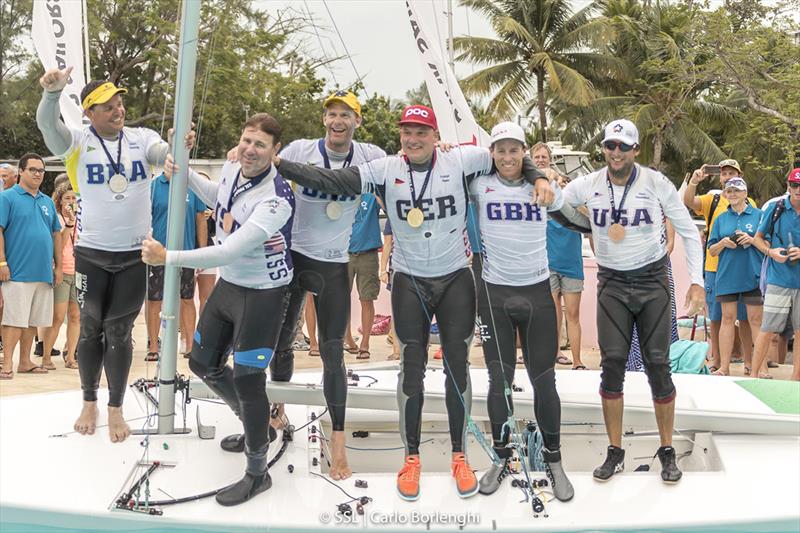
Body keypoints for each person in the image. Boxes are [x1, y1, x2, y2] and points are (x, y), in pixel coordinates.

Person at [273, 104, 557, 501]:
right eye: (407, 132)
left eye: (421, 132)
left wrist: (539, 174)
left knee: (457, 367)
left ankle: (460, 456)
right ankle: (411, 458)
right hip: (409, 281)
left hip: (456, 277)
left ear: (434, 135)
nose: (413, 139)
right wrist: (281, 163)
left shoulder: (462, 160)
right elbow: (335, 180)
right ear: (400, 135)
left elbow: (509, 157)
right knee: (411, 370)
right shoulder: (385, 168)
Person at [143, 112, 294, 506]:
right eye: (246, 140)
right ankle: (253, 422)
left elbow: (230, 248)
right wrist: (184, 170)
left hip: (263, 294)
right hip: (230, 287)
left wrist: (167, 257)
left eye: (260, 145)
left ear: (275, 152)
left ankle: (257, 471)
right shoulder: (232, 168)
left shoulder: (276, 198)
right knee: (201, 363)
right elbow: (217, 197)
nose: (249, 149)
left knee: (248, 379)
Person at [36, 66, 190, 442]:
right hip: (91, 254)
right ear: (89, 113)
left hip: (134, 256)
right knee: (91, 330)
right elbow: (47, 128)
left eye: (119, 102)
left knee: (119, 333)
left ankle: (115, 408)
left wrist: (174, 148)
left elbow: (162, 153)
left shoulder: (140, 138)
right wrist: (51, 94)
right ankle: (89, 400)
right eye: (107, 106)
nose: (118, 110)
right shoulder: (76, 142)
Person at [562, 119, 705, 484]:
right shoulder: (589, 184)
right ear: (604, 148)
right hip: (611, 283)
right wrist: (582, 221)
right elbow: (557, 205)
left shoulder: (656, 182)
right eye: (611, 145)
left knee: (658, 364)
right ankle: (615, 451)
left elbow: (689, 231)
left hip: (652, 281)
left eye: (624, 146)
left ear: (636, 151)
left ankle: (667, 449)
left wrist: (698, 284)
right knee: (611, 365)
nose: (616, 152)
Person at [258, 90, 386, 481]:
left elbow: (405, 179)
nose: (337, 121)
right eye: (331, 114)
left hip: (333, 264)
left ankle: (340, 445)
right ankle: (275, 413)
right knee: (280, 341)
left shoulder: (371, 156)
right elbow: (259, 174)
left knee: (333, 354)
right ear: (324, 120)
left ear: (357, 121)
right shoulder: (299, 149)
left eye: (345, 115)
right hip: (294, 257)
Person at [470, 122, 576, 501]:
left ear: (524, 152)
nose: (507, 157)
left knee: (544, 381)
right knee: (498, 381)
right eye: (501, 150)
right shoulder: (479, 184)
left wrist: (542, 177)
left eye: (515, 150)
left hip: (536, 294)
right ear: (492, 152)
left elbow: (575, 217)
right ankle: (500, 458)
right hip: (495, 296)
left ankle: (554, 458)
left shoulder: (543, 188)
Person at [683, 159, 756, 372]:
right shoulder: (713, 198)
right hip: (715, 267)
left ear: (740, 176)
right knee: (716, 317)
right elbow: (689, 202)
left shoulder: (749, 202)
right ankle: (717, 360)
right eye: (723, 173)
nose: (727, 176)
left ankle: (748, 361)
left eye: (731, 172)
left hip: (743, 268)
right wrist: (694, 182)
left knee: (745, 317)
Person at [0, 153, 62, 379]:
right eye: (33, 169)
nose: (38, 174)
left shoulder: (46, 201)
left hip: (43, 272)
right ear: (21, 173)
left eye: (41, 170)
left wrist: (58, 268)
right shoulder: (7, 198)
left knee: (32, 321)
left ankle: (25, 362)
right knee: (13, 319)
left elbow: (56, 234)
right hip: (16, 271)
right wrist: (1, 262)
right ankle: (7, 363)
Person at [145, 167, 208, 361]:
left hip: (185, 253)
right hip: (158, 254)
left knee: (187, 299)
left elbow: (200, 219)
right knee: (155, 300)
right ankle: (154, 347)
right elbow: (144, 218)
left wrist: (202, 252)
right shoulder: (154, 186)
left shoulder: (191, 185)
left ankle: (190, 346)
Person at [533, 142, 586, 369]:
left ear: (550, 158)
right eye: (537, 157)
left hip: (572, 264)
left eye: (544, 157)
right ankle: (554, 354)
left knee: (573, 314)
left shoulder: (568, 190)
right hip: (549, 263)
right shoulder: (533, 193)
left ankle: (577, 360)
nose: (541, 160)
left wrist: (563, 191)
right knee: (552, 314)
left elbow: (587, 220)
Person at [706, 177, 765, 377]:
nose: (732, 194)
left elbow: (768, 245)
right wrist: (723, 242)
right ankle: (724, 366)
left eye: (736, 191)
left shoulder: (759, 215)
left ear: (745, 193)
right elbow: (712, 250)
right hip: (727, 275)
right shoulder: (721, 218)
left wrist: (752, 240)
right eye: (729, 191)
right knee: (727, 318)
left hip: (753, 274)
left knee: (755, 320)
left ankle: (760, 367)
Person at [751, 168, 800, 381]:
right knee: (767, 329)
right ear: (788, 187)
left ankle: (796, 381)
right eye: (795, 185)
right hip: (778, 279)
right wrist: (771, 252)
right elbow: (757, 238)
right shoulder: (776, 208)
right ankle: (753, 376)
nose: (798, 190)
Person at [40, 182, 81, 370]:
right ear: (59, 201)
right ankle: (46, 356)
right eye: (67, 198)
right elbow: (60, 244)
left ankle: (71, 356)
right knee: (57, 317)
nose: (71, 202)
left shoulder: (83, 220)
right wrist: (70, 223)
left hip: (78, 272)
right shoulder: (57, 219)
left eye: (74, 198)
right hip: (62, 271)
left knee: (76, 316)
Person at [344, 193, 383, 359]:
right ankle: (347, 339)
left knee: (367, 299)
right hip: (344, 253)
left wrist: (375, 189)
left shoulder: (372, 196)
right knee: (341, 299)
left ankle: (365, 344)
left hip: (368, 253)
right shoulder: (342, 194)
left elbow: (387, 205)